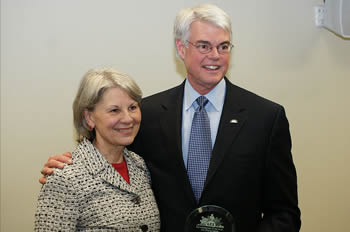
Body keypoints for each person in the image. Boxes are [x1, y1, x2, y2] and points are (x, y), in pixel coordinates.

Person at [39, 4, 301, 232]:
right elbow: (113, 159)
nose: (215, 56)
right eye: (204, 46)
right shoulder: (146, 114)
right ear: (181, 48)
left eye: (223, 46)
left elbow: (284, 213)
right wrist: (66, 166)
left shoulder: (266, 118)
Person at [35, 68, 160, 231]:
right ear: (89, 117)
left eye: (132, 107)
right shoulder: (64, 177)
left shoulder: (140, 166)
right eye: (114, 110)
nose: (128, 118)